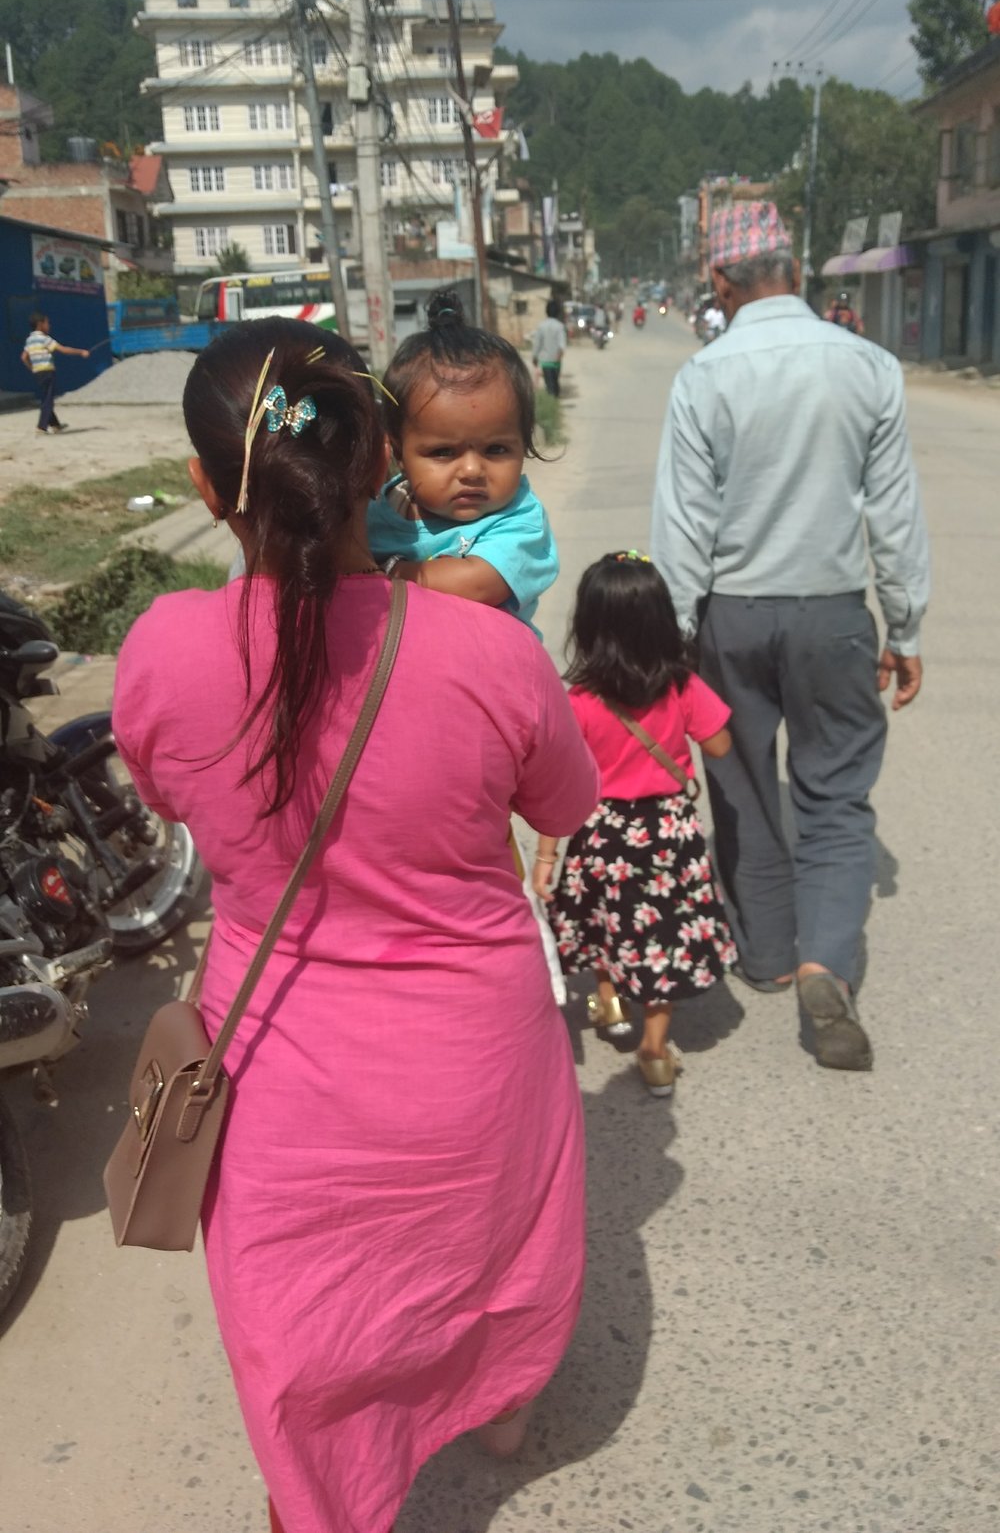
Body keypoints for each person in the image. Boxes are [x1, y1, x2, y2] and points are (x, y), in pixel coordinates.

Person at [111, 318, 600, 1533]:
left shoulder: (162, 647)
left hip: (278, 1072)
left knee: (312, 1316)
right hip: (472, 1059)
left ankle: (321, 1501)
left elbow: (172, 795)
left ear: (205, 485)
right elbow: (563, 803)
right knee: (486, 1256)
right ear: (380, 461)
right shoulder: (490, 649)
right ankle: (491, 1405)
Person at [651, 200, 930, 1072]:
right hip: (835, 612)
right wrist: (907, 622)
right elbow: (893, 513)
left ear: (721, 282)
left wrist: (677, 632)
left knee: (738, 780)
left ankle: (767, 953)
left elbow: (682, 524)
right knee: (836, 792)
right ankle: (824, 960)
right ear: (797, 272)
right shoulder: (869, 367)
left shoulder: (705, 377)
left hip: (733, 613)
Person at [533, 551, 736, 1099]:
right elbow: (720, 745)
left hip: (601, 831)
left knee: (605, 920)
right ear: (661, 621)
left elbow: (557, 784)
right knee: (660, 937)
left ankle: (607, 998)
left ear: (590, 626)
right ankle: (654, 1048)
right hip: (667, 835)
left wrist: (546, 858)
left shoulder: (579, 701)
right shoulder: (681, 687)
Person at [368, 290, 558, 634]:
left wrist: (383, 572)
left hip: (492, 675)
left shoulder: (520, 520)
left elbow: (479, 583)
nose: (472, 471)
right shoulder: (378, 511)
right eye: (443, 452)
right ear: (398, 453)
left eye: (497, 449)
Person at [21, 310, 90, 434]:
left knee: (46, 397)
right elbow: (63, 350)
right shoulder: (44, 339)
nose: (49, 325)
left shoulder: (30, 339)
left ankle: (56, 425)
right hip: (47, 371)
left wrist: (32, 368)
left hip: (38, 373)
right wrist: (81, 352)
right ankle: (41, 427)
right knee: (48, 400)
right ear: (40, 324)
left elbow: (24, 357)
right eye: (47, 323)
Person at [531, 296, 568, 398]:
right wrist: (558, 357)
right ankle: (554, 400)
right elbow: (562, 345)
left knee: (549, 384)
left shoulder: (541, 326)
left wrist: (534, 357)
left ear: (546, 311)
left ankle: (553, 401)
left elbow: (537, 344)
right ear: (557, 312)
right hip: (556, 361)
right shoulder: (560, 326)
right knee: (555, 383)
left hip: (545, 361)